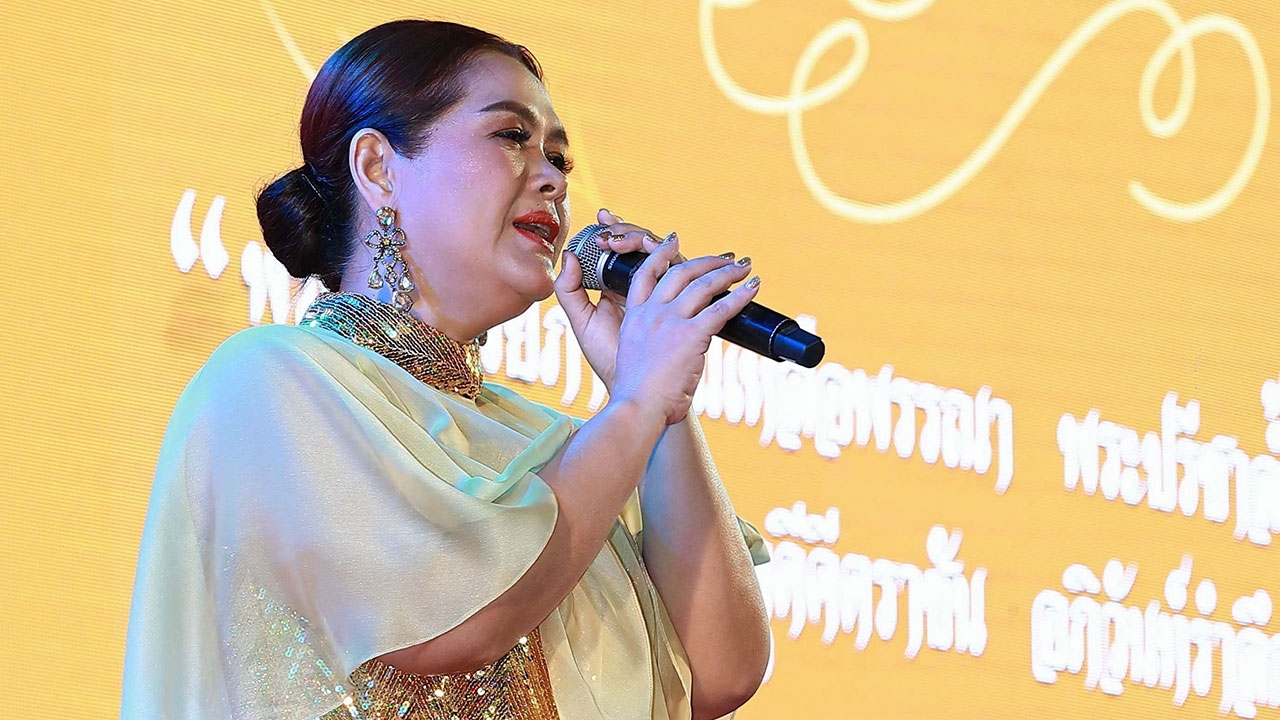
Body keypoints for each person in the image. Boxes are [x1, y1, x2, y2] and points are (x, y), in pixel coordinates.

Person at [121, 19, 771, 720]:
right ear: (378, 167)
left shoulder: (565, 443)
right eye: (513, 136)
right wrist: (639, 403)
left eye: (560, 158)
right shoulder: (268, 381)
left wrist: (659, 400)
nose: (553, 178)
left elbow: (719, 673)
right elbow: (459, 623)